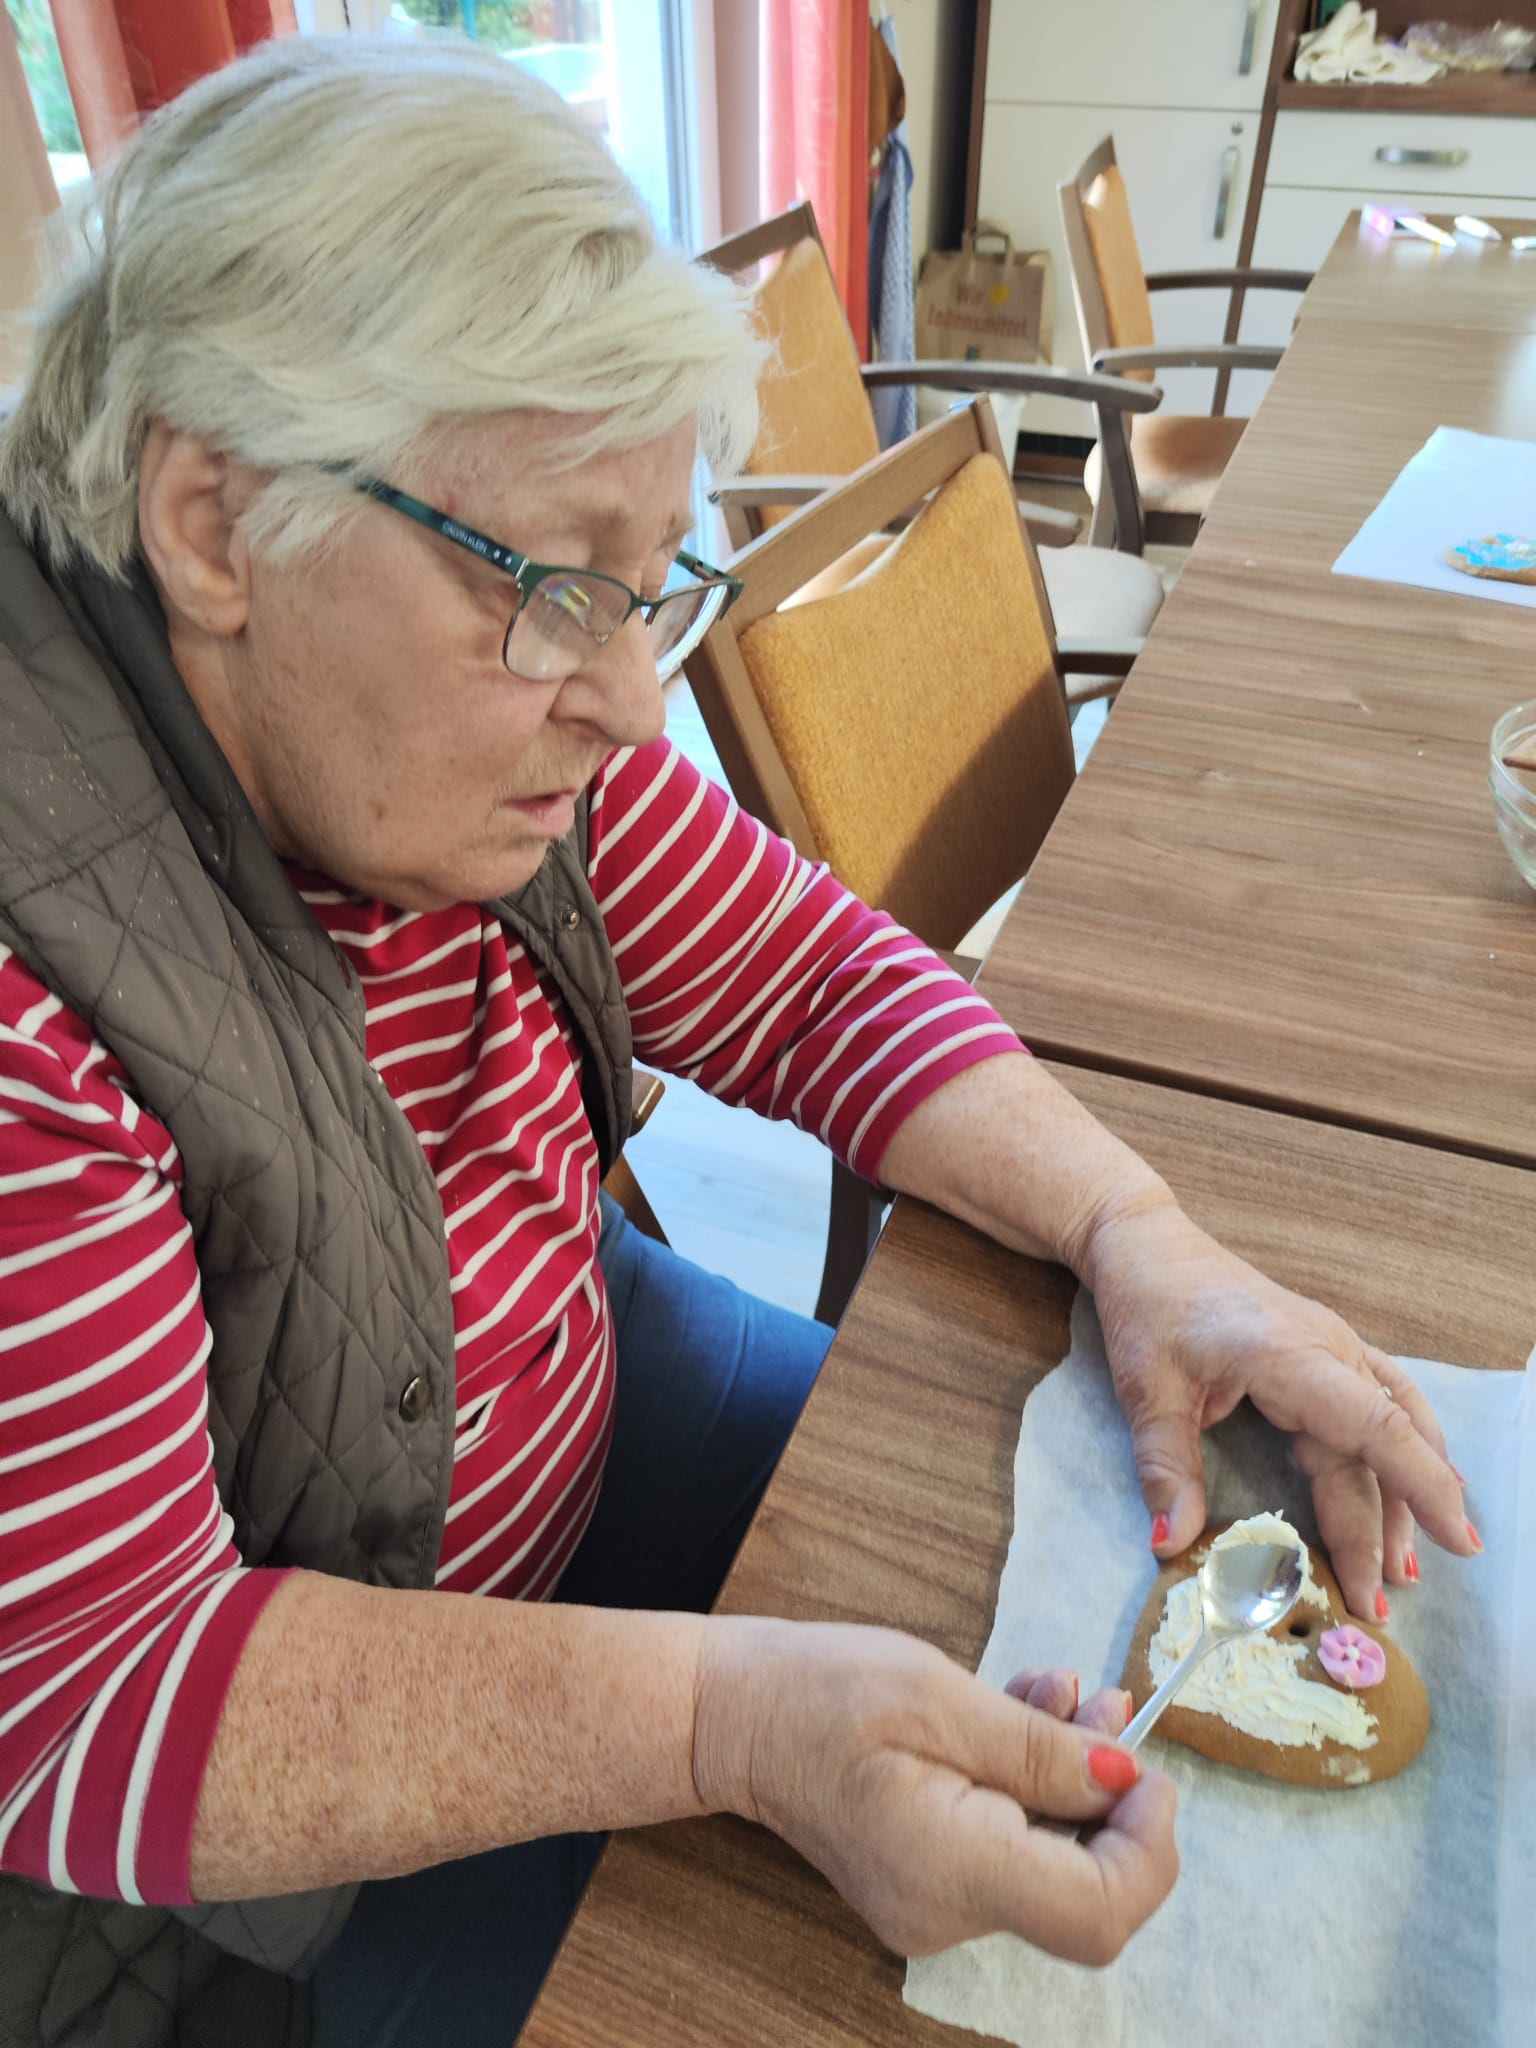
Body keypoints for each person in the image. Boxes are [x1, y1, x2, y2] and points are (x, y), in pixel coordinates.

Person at [0, 34, 1474, 2048]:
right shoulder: (30, 989)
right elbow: (101, 1698)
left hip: (562, 1397)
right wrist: (732, 1716)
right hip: (261, 1868)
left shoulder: (461, 727)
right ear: (211, 518)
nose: (622, 699)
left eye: (646, 590)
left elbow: (811, 983)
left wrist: (1148, 1238)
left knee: (1094, 1544)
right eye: (545, 594)